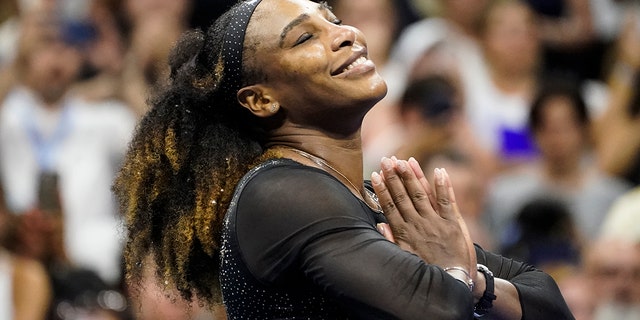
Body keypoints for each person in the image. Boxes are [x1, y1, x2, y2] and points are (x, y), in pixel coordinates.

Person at [113, 0, 574, 319]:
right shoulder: (278, 192)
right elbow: (436, 309)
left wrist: (466, 279)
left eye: (334, 20)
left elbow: (549, 302)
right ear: (260, 100)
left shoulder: (370, 196)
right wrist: (462, 276)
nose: (345, 34)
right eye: (303, 39)